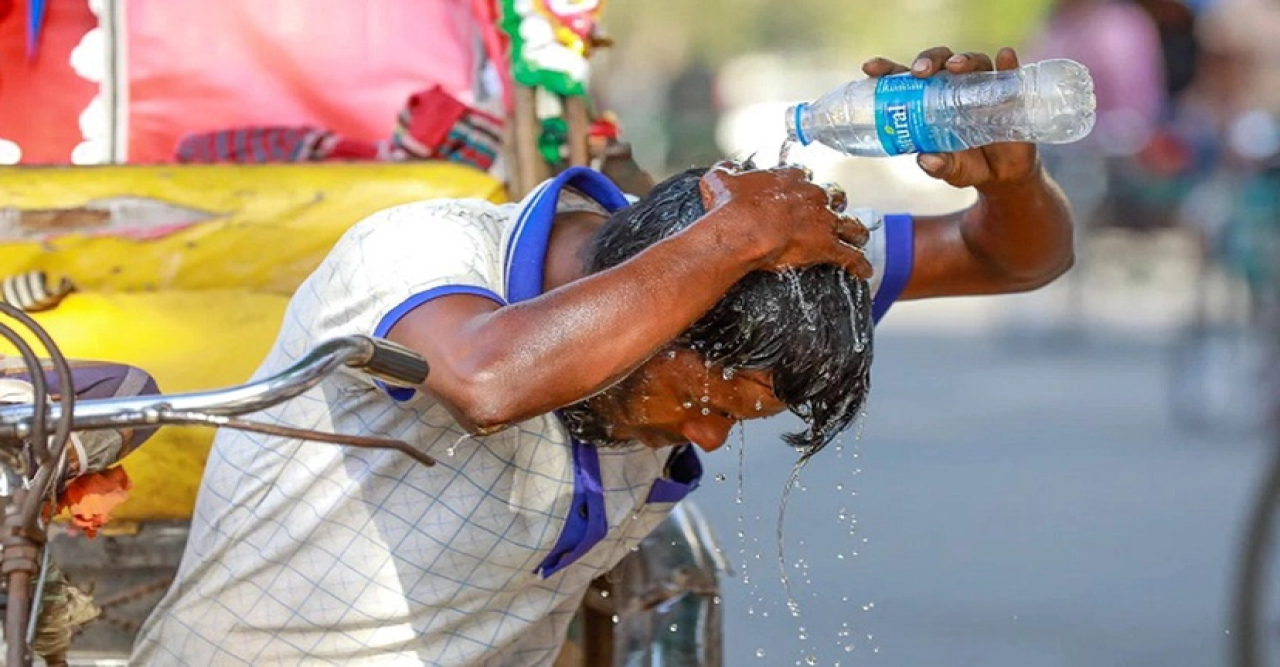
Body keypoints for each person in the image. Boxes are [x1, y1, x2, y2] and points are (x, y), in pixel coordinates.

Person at [131, 45, 1073, 666]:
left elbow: (1015, 255)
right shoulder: (419, 255)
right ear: (664, 301)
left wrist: (1015, 179)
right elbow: (490, 380)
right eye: (708, 399)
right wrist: (727, 241)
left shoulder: (761, 275)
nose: (705, 435)